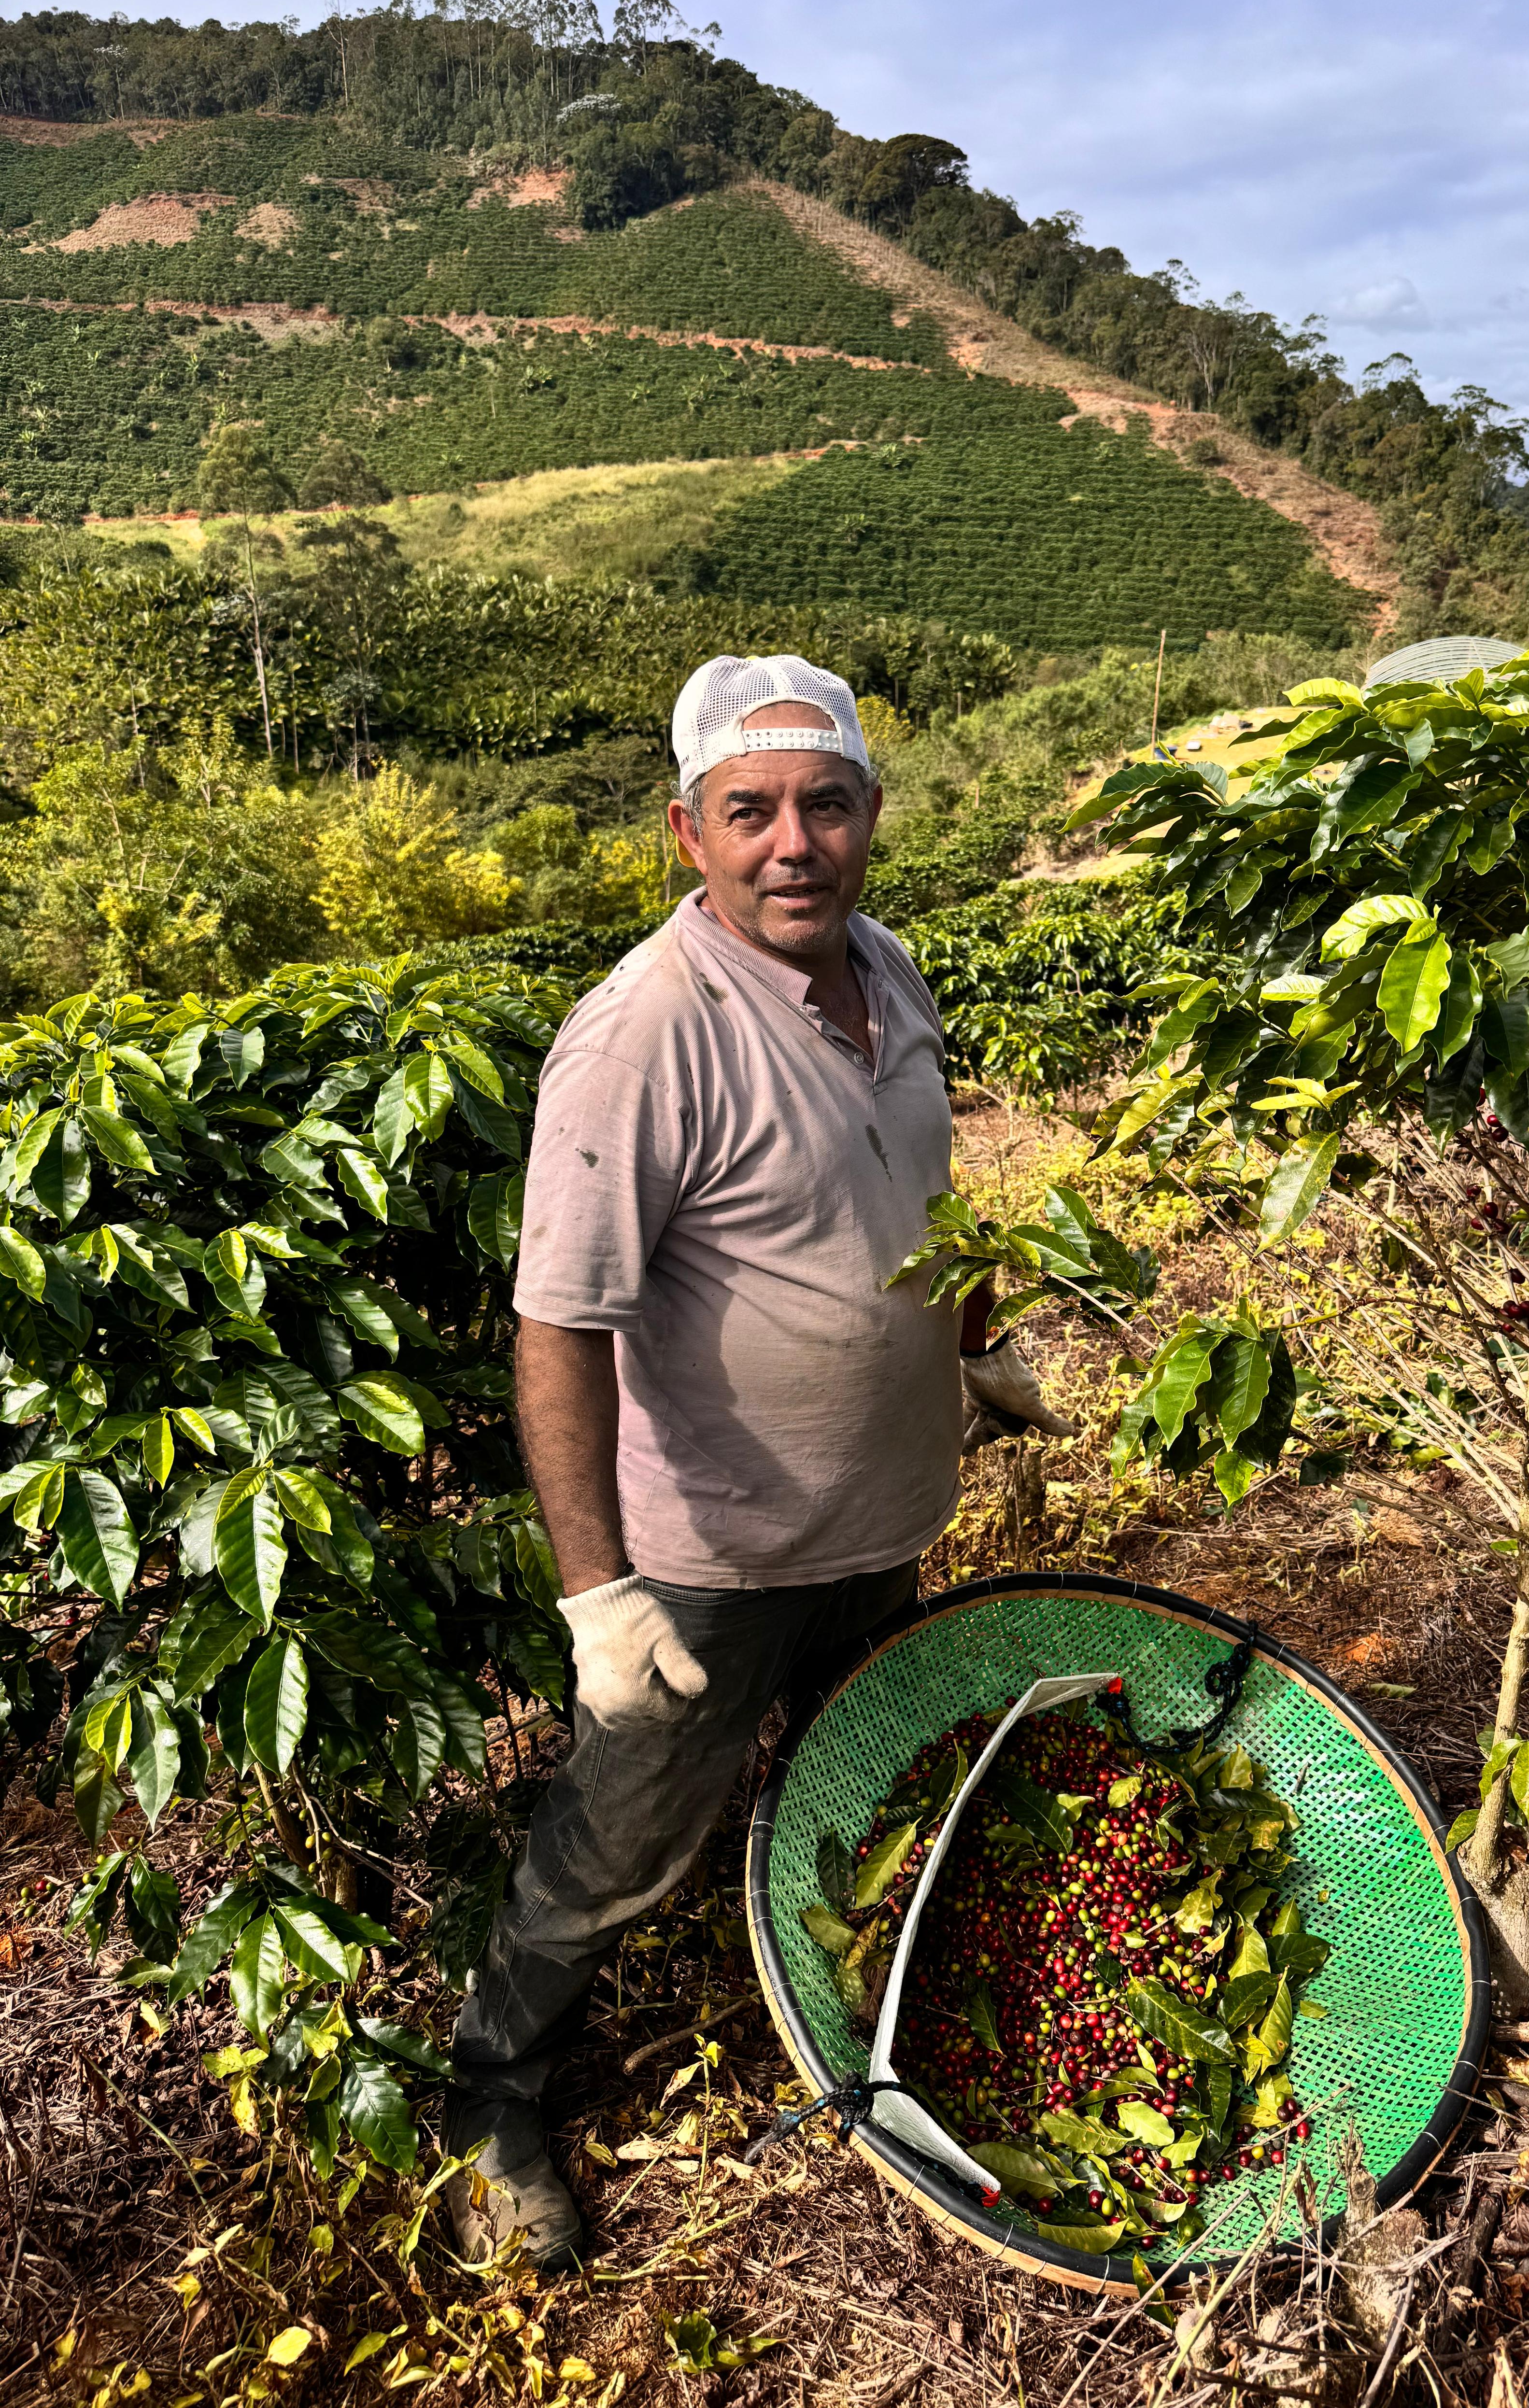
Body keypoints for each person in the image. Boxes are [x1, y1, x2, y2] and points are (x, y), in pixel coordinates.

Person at [446, 653, 1075, 2268]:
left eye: (826, 804)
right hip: (712, 1563)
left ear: (871, 818)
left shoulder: (893, 969)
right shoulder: (641, 1037)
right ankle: (497, 2094)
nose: (792, 842)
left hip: (882, 1524)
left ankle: (856, 1998)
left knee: (869, 1786)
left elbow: (941, 1190)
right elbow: (559, 1326)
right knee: (617, 1853)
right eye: (751, 812)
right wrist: (599, 1595)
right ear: (688, 835)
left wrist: (972, 1344)